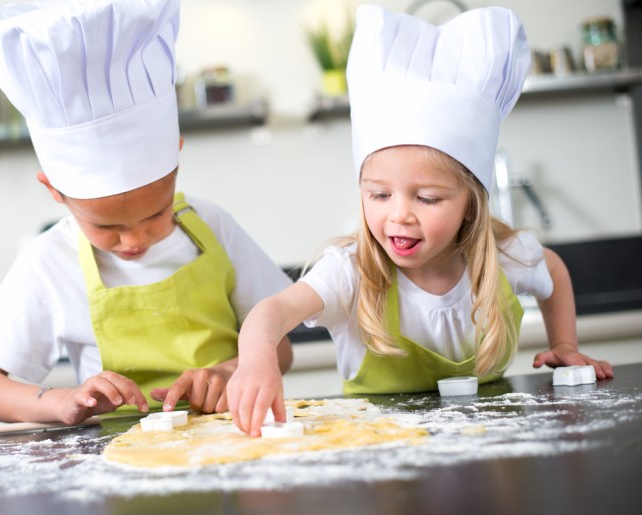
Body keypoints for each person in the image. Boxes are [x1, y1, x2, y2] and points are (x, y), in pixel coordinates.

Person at [228, 6, 614, 436]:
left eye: (427, 198)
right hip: (382, 457)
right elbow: (271, 311)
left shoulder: (506, 258)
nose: (399, 215)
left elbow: (552, 270)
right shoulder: (349, 272)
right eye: (379, 194)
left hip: (492, 450)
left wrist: (564, 344)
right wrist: (257, 359)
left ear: (470, 203)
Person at [0, 0, 292, 425]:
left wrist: (231, 370)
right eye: (106, 225)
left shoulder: (213, 227)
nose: (135, 239)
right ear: (55, 191)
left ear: (176, 159)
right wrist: (59, 401)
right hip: (118, 454)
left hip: (233, 437)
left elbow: (281, 347)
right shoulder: (51, 261)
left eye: (157, 213)